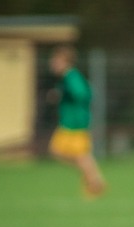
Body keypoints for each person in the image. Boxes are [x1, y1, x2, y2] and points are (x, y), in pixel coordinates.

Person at [48, 45, 106, 197]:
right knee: (59, 152)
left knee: (80, 155)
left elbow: (83, 94)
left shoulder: (71, 76)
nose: (53, 63)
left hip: (75, 123)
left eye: (56, 60)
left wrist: (63, 95)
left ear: (64, 61)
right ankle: (92, 178)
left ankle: (94, 182)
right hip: (69, 122)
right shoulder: (67, 78)